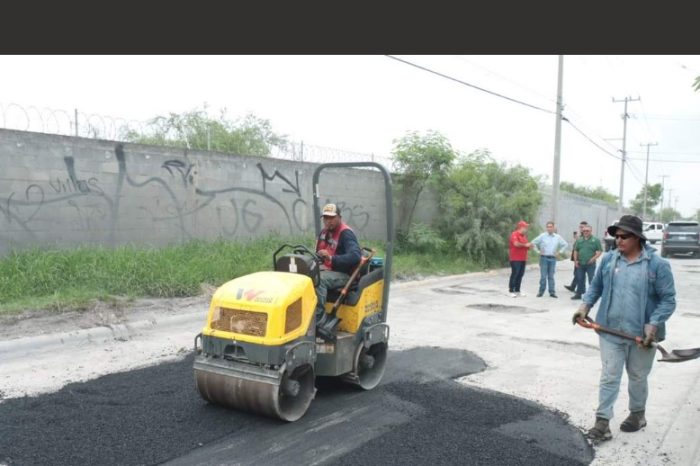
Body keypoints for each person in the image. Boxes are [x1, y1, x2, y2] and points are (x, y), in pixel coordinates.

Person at [571, 215, 676, 443]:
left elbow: (668, 300)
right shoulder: (609, 260)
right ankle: (602, 422)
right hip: (610, 331)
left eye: (624, 236)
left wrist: (653, 325)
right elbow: (595, 287)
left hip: (642, 335)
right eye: (616, 236)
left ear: (637, 237)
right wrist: (584, 307)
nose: (618, 240)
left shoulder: (657, 265)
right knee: (609, 376)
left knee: (638, 376)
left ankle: (637, 414)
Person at [314, 203, 362, 322]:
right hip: (327, 269)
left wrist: (332, 258)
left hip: (344, 274)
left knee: (319, 280)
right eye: (326, 218)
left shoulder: (346, 234)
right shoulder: (324, 232)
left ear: (339, 218)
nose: (328, 221)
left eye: (331, 218)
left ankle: (319, 320)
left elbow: (355, 256)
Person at [531, 221, 568, 298]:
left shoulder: (557, 237)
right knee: (543, 276)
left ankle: (552, 292)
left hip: (553, 259)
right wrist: (538, 251)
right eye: (548, 227)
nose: (549, 228)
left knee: (551, 276)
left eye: (551, 227)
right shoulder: (542, 236)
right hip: (544, 258)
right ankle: (541, 292)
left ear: (554, 228)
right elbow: (533, 243)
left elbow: (565, 244)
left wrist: (559, 252)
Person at [571, 224, 602, 300]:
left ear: (591, 231)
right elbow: (575, 250)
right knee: (580, 279)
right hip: (580, 264)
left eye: (587, 231)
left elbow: (600, 251)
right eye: (584, 231)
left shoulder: (595, 240)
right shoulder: (579, 240)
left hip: (590, 264)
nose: (585, 232)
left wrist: (593, 259)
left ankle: (592, 295)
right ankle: (578, 294)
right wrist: (576, 260)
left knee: (591, 280)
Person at [508, 220, 532, 298]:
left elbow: (526, 246)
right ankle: (511, 290)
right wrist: (525, 245)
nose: (526, 229)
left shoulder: (524, 236)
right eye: (525, 227)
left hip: (523, 258)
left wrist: (529, 246)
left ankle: (518, 290)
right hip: (515, 258)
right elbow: (516, 244)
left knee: (520, 274)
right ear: (521, 227)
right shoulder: (514, 234)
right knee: (515, 274)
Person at [565, 221, 588, 292]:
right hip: (576, 257)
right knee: (577, 273)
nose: (581, 229)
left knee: (579, 273)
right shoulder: (580, 236)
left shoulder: (585, 236)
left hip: (581, 258)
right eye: (580, 227)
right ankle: (574, 286)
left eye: (582, 227)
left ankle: (579, 288)